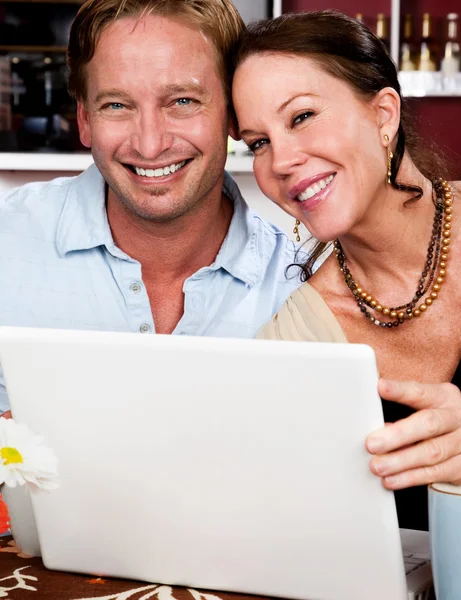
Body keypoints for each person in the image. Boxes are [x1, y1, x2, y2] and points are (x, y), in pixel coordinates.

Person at [231, 10, 461, 530]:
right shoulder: (294, 338)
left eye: (302, 116)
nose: (280, 160)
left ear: (384, 114)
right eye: (258, 142)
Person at [0, 0, 303, 416]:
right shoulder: (7, 243)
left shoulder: (301, 284)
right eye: (117, 105)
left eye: (182, 101)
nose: (149, 145)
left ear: (233, 114)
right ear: (85, 120)